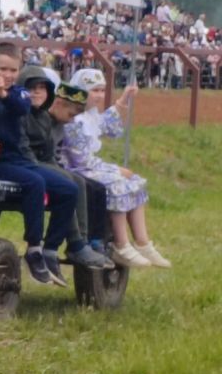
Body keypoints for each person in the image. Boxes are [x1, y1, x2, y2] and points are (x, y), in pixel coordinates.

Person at [0, 41, 78, 287]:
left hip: (18, 159)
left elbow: (22, 108)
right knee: (35, 182)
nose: (9, 75)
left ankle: (51, 250)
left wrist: (3, 94)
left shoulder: (19, 93)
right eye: (3, 69)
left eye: (13, 70)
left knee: (68, 189)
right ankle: (34, 248)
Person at [59, 67, 170, 269]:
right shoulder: (73, 119)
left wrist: (125, 97)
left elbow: (108, 127)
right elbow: (79, 159)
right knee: (117, 183)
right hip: (73, 169)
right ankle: (121, 244)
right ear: (81, 90)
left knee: (135, 181)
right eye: (95, 90)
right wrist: (115, 169)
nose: (100, 96)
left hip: (88, 167)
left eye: (102, 90)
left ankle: (143, 242)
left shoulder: (90, 114)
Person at [17, 65, 111, 269]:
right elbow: (32, 151)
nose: (72, 120)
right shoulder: (31, 115)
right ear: (58, 103)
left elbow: (48, 153)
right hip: (28, 165)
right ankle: (75, 243)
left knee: (92, 187)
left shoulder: (43, 116)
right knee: (71, 183)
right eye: (71, 115)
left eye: (41, 89)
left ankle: (89, 241)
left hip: (43, 164)